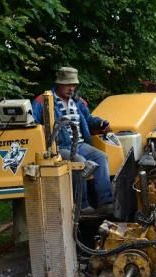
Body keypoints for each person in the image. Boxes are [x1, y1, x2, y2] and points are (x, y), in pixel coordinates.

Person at [32, 67, 113, 215]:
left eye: (74, 85)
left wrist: (100, 123)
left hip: (80, 144)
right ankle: (82, 206)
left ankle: (105, 203)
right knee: (79, 161)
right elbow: (33, 124)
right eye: (68, 85)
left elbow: (88, 119)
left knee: (101, 157)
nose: (72, 88)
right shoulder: (43, 101)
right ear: (59, 84)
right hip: (59, 147)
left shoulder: (79, 102)